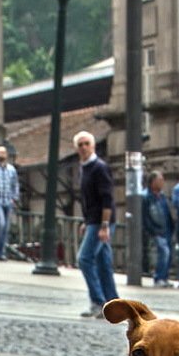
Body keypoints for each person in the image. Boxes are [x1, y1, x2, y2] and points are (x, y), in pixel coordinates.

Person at [74, 131, 120, 317]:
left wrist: (104, 225)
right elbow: (88, 199)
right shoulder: (84, 168)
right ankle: (114, 305)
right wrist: (86, 221)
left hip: (101, 221)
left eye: (87, 143)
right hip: (94, 220)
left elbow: (107, 198)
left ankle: (98, 301)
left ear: (92, 146)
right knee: (103, 263)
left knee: (84, 258)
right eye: (80, 145)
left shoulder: (99, 167)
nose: (84, 147)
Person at [143, 171, 174, 287]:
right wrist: (152, 230)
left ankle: (164, 277)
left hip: (166, 229)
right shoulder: (146, 197)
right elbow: (145, 216)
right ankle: (158, 277)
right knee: (164, 252)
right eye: (159, 180)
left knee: (168, 254)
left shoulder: (162, 196)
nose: (162, 182)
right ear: (152, 182)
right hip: (156, 230)